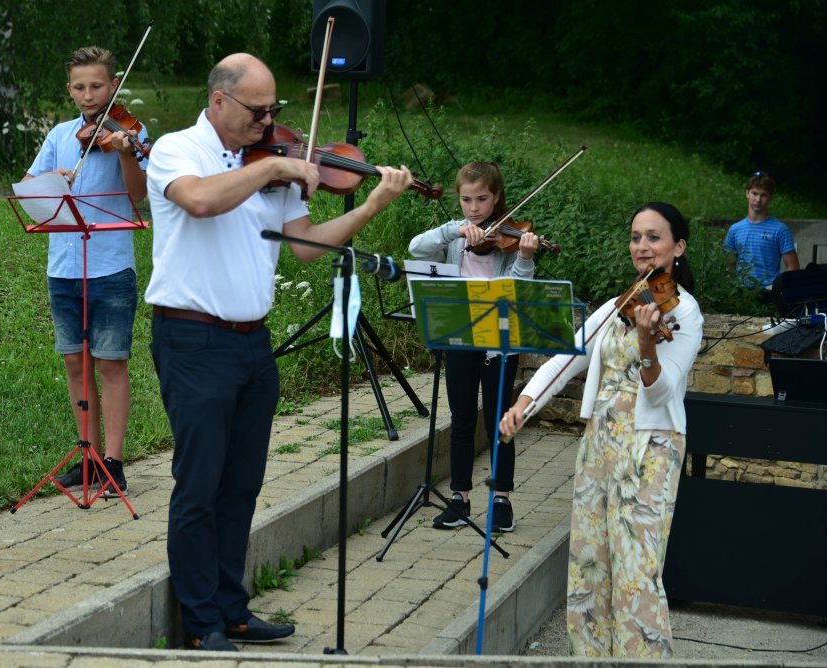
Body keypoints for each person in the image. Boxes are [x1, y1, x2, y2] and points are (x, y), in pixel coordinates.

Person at [144, 52, 413, 652]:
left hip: (252, 343)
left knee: (241, 486)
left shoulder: (273, 162)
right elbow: (201, 202)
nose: (269, 123)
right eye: (258, 111)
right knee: (199, 486)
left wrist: (370, 206)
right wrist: (271, 171)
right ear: (219, 101)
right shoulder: (176, 149)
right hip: (192, 338)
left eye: (275, 112)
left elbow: (306, 247)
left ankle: (232, 609)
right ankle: (200, 623)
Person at [500, 202, 703, 658]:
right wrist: (525, 403)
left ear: (678, 247)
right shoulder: (620, 305)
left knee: (637, 572)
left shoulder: (685, 313)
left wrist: (648, 343)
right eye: (636, 237)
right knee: (590, 565)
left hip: (650, 449)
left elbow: (661, 392)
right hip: (600, 444)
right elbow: (569, 355)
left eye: (654, 237)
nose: (642, 246)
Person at [24, 45, 148, 498]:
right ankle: (88, 458)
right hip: (63, 268)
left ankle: (114, 463)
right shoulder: (60, 135)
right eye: (79, 87)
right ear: (70, 89)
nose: (88, 95)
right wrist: (54, 177)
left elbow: (138, 196)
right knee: (76, 365)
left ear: (113, 85)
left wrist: (124, 153)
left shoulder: (130, 132)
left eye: (97, 86)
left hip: (111, 267)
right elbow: (30, 191)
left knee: (111, 364)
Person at [408, 162, 539, 532]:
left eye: (482, 199)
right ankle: (460, 497)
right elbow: (416, 248)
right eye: (466, 200)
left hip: (499, 343)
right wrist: (452, 230)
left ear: (496, 197)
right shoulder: (455, 239)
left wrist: (526, 258)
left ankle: (501, 500)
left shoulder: (511, 240)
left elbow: (518, 290)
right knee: (462, 419)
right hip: (461, 337)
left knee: (500, 421)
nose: (474, 208)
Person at [723, 172, 799, 289]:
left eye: (763, 195)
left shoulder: (780, 229)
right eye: (754, 193)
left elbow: (793, 267)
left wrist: (780, 290)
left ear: (770, 197)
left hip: (769, 293)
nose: (758, 199)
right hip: (740, 293)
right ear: (747, 193)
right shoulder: (735, 229)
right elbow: (728, 266)